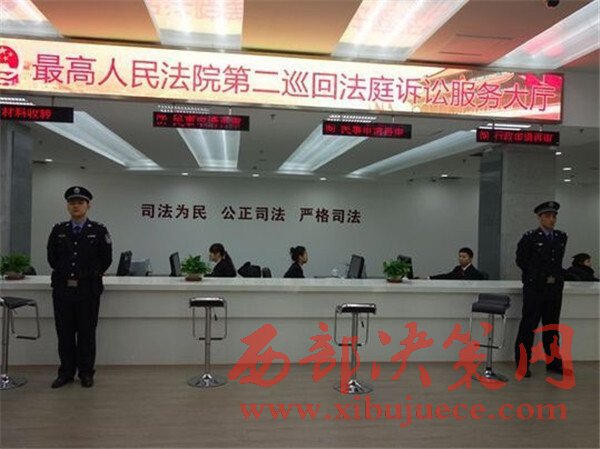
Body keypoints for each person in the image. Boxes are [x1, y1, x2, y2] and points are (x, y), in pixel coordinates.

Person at [47, 186, 112, 388]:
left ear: (88, 206)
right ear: (67, 206)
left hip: (88, 290)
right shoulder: (59, 230)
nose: (76, 206)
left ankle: (86, 373)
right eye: (72, 203)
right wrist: (67, 271)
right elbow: (52, 258)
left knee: (86, 334)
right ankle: (66, 372)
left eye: (80, 202)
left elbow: (106, 259)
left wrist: (89, 273)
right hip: (63, 290)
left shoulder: (99, 230)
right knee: (64, 334)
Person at [514, 201, 568, 378]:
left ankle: (553, 362)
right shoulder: (530, 237)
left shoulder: (561, 237)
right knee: (528, 326)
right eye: (547, 216)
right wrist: (534, 275)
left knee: (552, 327)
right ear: (540, 218)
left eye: (554, 216)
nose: (552, 219)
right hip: (535, 288)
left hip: (554, 288)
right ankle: (523, 364)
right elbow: (521, 260)